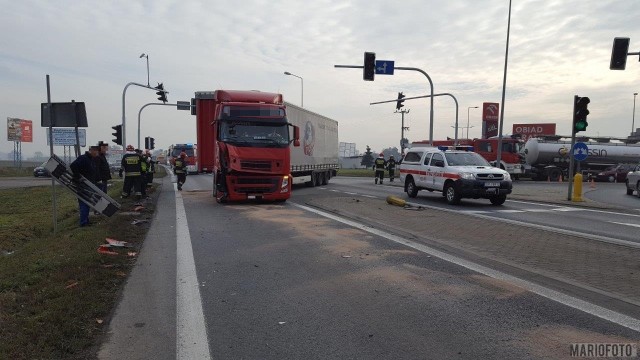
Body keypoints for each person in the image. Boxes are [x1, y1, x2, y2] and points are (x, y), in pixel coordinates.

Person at [70, 145, 99, 227]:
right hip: (83, 185)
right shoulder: (83, 158)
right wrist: (78, 177)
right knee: (84, 203)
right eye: (96, 151)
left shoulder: (91, 159)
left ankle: (86, 221)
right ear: (91, 150)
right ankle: (83, 223)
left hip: (89, 185)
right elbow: (73, 166)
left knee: (87, 203)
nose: (97, 153)